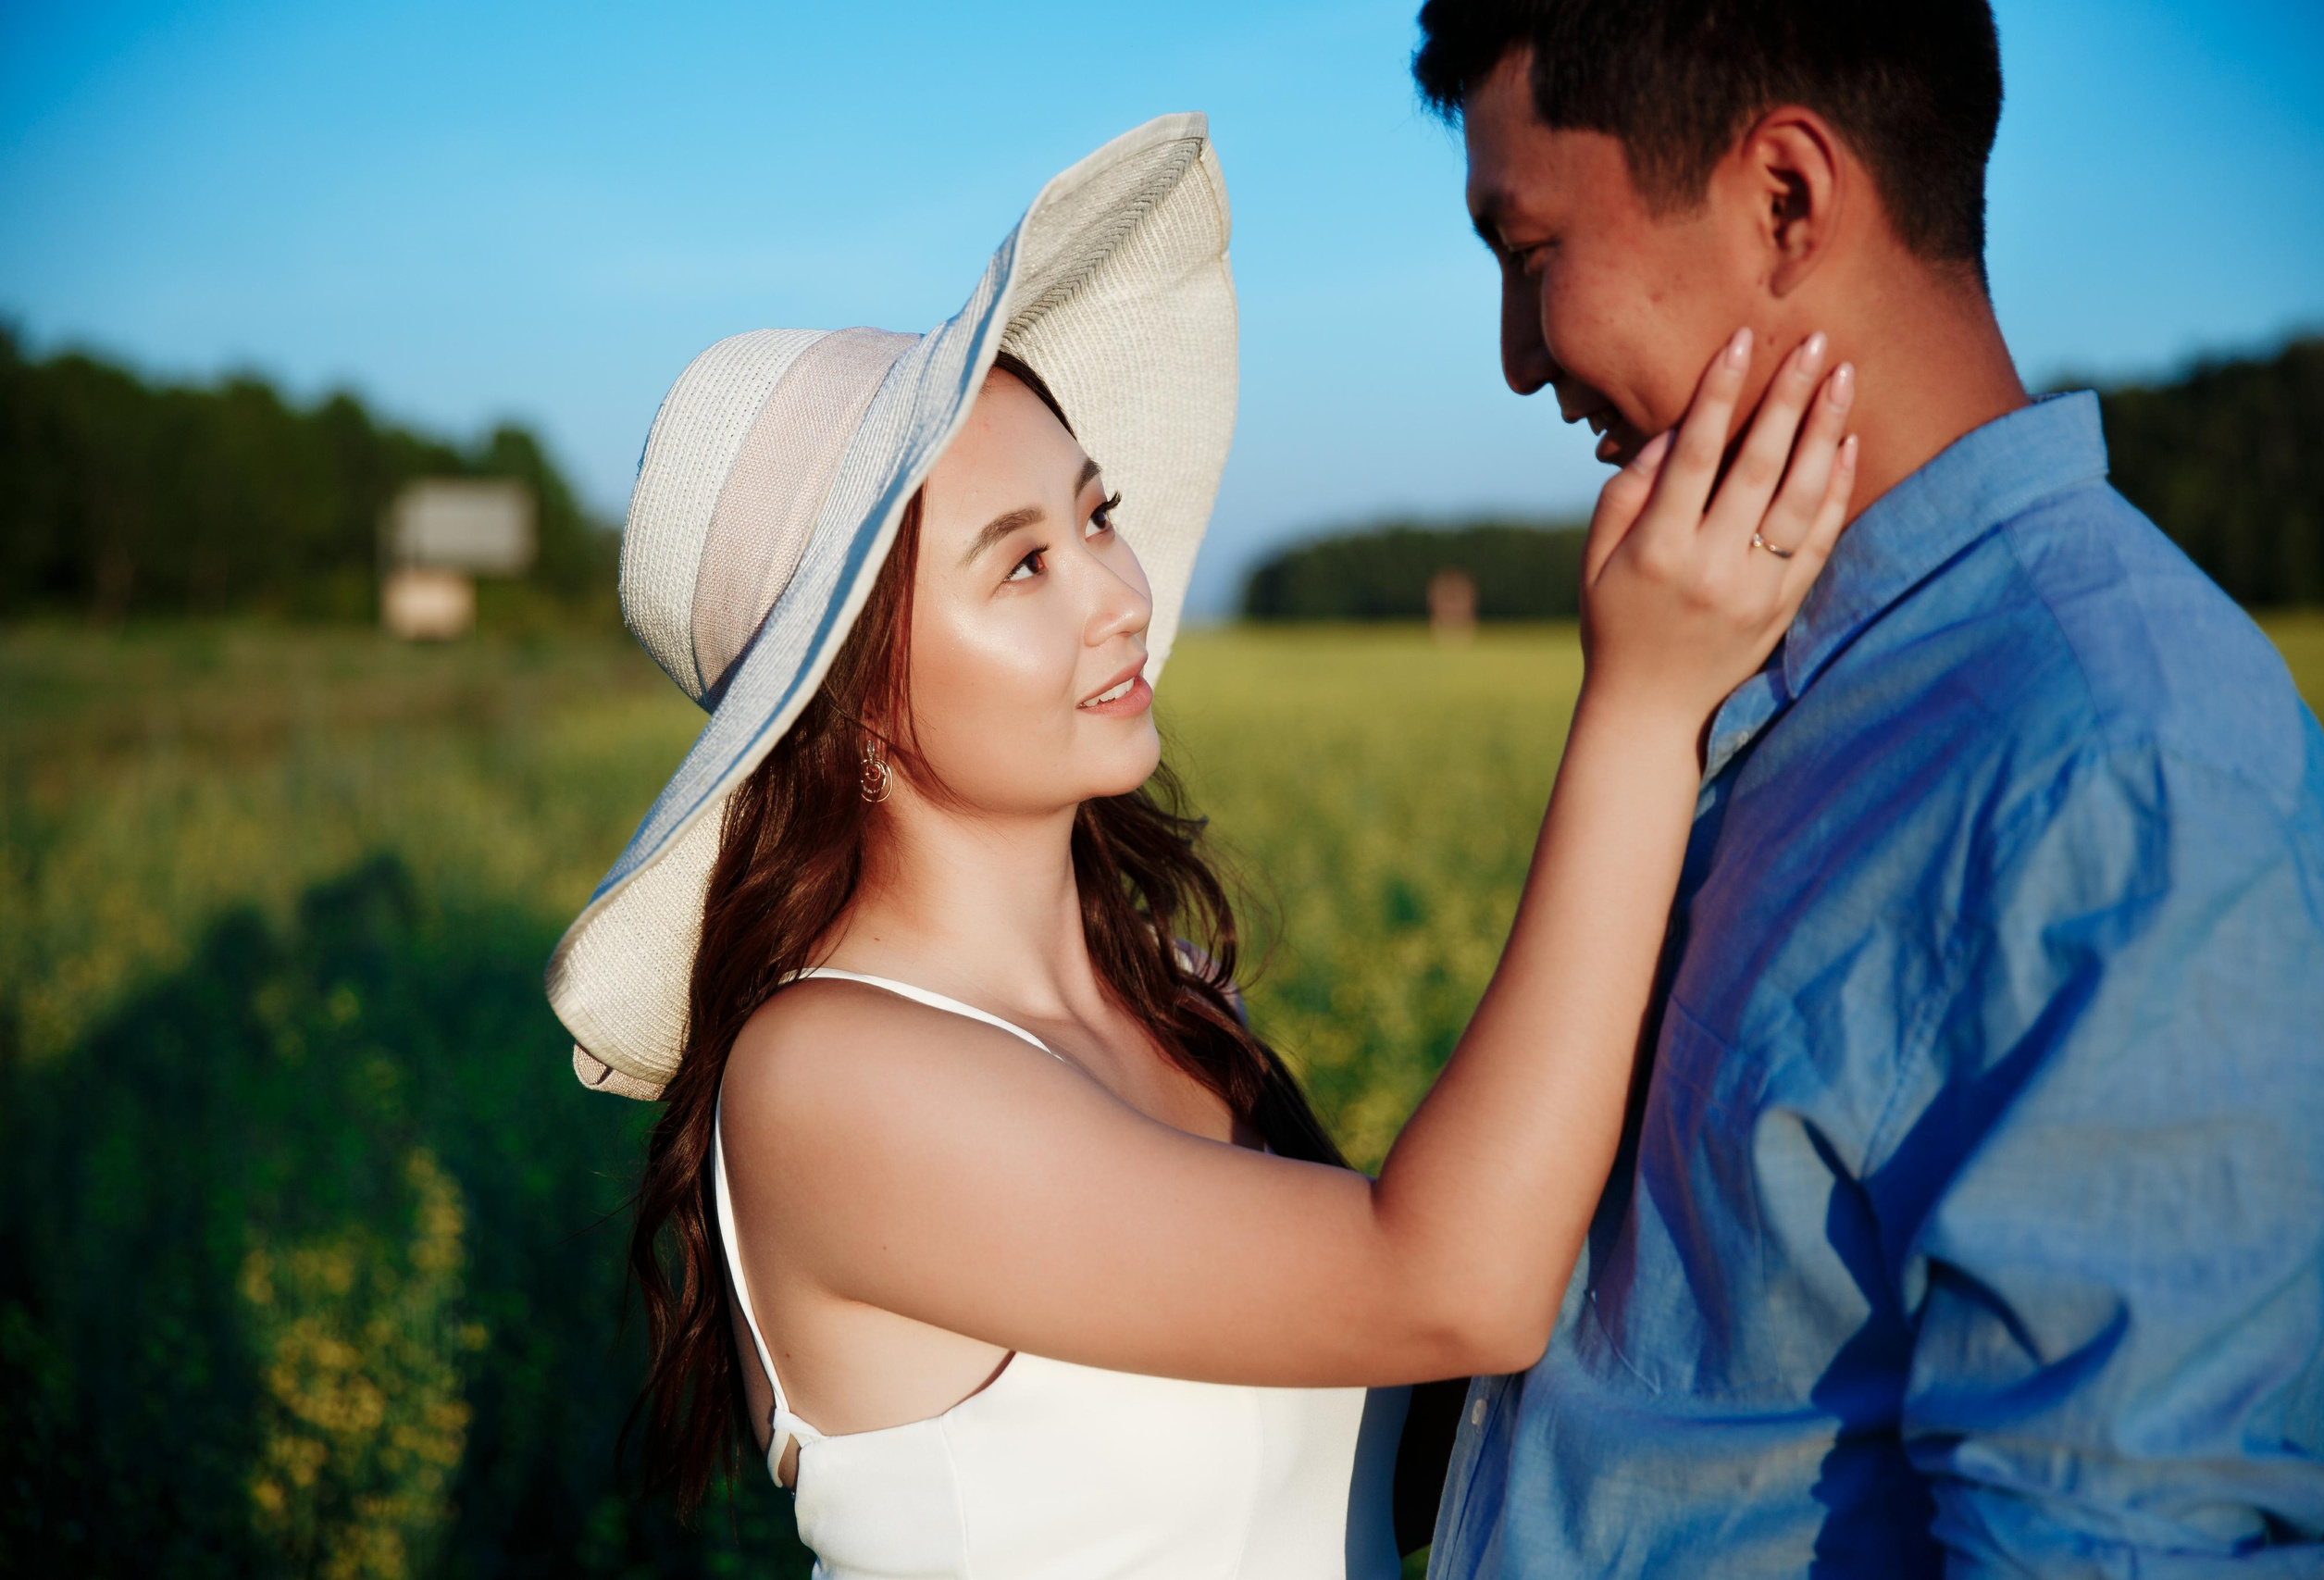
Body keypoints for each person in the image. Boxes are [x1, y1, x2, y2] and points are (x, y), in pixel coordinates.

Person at [545, 116, 1853, 1576]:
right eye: (1022, 564)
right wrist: (1643, 704)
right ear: (847, 705)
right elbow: (1449, 1286)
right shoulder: (829, 1078)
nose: (1119, 593)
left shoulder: (1161, 986)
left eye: (1095, 516)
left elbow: (1436, 1414)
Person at [1408, 3, 2324, 1574]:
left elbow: (2114, 1547)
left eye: (1530, 255)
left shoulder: (2130, 772)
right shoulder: (1742, 661)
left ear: (1786, 199)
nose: (1520, 360)